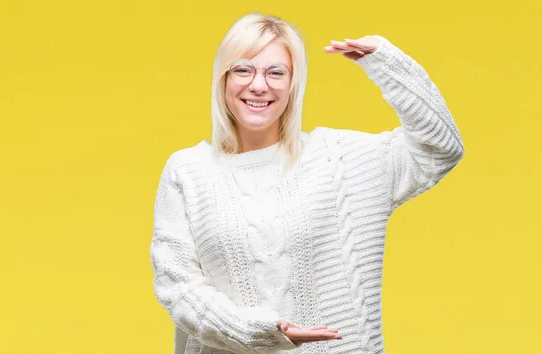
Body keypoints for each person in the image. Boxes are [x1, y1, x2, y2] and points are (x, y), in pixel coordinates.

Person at [150, 12, 464, 354]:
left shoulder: (342, 160)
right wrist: (260, 331)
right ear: (223, 79)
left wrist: (388, 63)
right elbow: (176, 285)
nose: (258, 85)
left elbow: (441, 149)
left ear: (293, 84)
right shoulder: (188, 170)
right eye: (243, 69)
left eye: (275, 72)